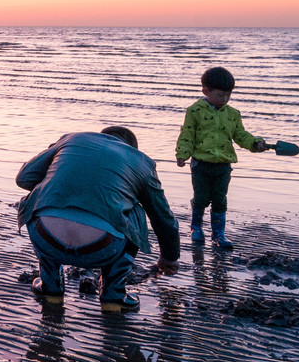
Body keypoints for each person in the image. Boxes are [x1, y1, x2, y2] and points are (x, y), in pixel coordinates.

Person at [15, 126, 179, 312]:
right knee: (138, 211)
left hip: (46, 237)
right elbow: (162, 217)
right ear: (132, 148)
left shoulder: (71, 138)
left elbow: (24, 178)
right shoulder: (141, 162)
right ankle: (113, 295)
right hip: (102, 246)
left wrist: (57, 183)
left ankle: (50, 286)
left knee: (39, 199)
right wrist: (169, 257)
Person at [174, 66, 272, 251]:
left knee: (220, 199)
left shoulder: (232, 114)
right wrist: (182, 154)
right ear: (206, 91)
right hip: (200, 164)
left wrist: (256, 143)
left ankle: (218, 234)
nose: (225, 99)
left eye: (228, 95)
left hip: (223, 165)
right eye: (221, 95)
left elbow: (241, 135)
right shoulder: (195, 111)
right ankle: (196, 228)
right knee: (201, 198)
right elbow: (187, 135)